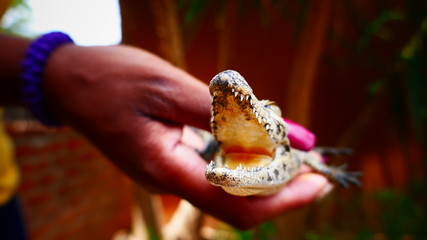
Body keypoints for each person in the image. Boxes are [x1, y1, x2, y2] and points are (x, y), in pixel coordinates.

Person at [0, 33, 332, 230]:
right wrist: (54, 73)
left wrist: (50, 72)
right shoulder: (216, 150)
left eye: (267, 110)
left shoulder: (289, 157)